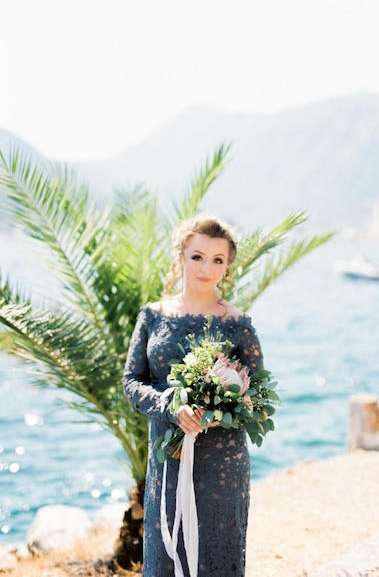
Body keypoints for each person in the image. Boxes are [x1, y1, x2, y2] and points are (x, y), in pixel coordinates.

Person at [123, 213, 264, 577]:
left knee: (217, 555)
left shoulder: (238, 323)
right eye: (197, 256)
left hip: (223, 464)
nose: (206, 268)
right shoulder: (153, 317)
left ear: (228, 266)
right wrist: (171, 406)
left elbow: (259, 396)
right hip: (168, 457)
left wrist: (218, 414)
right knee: (166, 554)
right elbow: (132, 381)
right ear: (181, 257)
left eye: (218, 260)